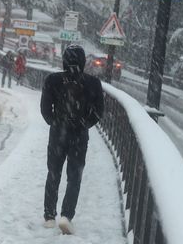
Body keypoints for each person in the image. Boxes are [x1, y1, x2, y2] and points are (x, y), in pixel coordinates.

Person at [40, 44, 104, 235]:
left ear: (64, 61)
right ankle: (67, 215)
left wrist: (55, 122)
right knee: (74, 176)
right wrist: (84, 124)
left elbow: (45, 108)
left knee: (53, 173)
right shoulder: (93, 83)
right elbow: (99, 112)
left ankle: (49, 216)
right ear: (83, 62)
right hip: (79, 136)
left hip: (58, 134)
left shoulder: (52, 80)